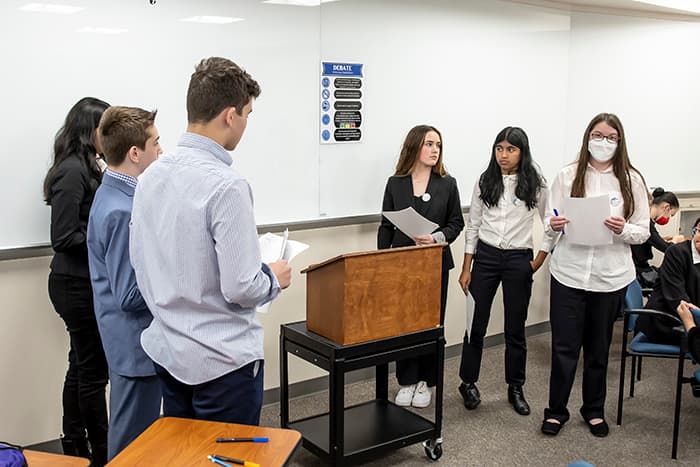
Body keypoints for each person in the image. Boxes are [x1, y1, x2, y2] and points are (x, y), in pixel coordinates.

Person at [129, 57, 292, 425]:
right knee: (228, 457)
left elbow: (140, 262)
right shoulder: (227, 185)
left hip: (169, 352)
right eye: (247, 114)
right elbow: (241, 287)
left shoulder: (150, 177)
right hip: (223, 363)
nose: (246, 124)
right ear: (230, 116)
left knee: (186, 456)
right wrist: (272, 278)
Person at [542, 113, 649, 438]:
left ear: (620, 142)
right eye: (597, 135)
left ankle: (593, 410)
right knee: (564, 348)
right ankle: (556, 411)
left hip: (610, 277)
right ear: (587, 137)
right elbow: (549, 218)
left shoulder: (631, 179)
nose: (602, 142)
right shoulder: (567, 175)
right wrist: (554, 224)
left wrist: (623, 228)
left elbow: (643, 232)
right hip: (569, 274)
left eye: (610, 137)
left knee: (598, 349)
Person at [457, 127, 557, 416]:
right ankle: (468, 382)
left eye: (510, 149)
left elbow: (552, 224)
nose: (504, 154)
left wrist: (537, 260)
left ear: (522, 152)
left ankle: (515, 386)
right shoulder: (484, 181)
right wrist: (467, 268)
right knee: (475, 324)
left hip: (518, 259)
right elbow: (473, 226)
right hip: (486, 257)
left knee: (515, 328)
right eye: (499, 148)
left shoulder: (535, 184)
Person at [87, 106, 163, 460]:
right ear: (135, 153)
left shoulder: (114, 193)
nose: (161, 150)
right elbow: (130, 295)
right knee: (133, 446)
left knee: (136, 440)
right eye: (155, 143)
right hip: (135, 347)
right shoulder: (122, 209)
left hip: (128, 342)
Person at [43, 97, 110, 466]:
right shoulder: (72, 170)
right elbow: (64, 236)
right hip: (74, 285)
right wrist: (106, 241)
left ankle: (74, 442)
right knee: (93, 372)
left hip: (81, 283)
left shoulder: (88, 167)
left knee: (81, 366)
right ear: (90, 131)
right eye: (105, 129)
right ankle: (99, 452)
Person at [377, 124, 464, 408]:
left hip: (435, 263)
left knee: (430, 322)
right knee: (404, 324)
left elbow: (456, 224)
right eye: (429, 144)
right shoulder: (395, 182)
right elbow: (386, 226)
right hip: (402, 264)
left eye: (438, 145)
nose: (434, 149)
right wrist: (382, 262)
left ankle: (427, 380)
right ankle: (407, 381)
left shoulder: (447, 183)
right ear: (415, 146)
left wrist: (436, 237)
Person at [636, 217, 700, 358]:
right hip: (665, 319)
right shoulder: (676, 253)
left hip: (691, 320)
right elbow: (677, 299)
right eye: (699, 231)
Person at [631, 187, 683, 289]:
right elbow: (668, 249)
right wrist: (675, 240)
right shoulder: (646, 225)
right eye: (671, 215)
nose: (668, 218)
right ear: (666, 207)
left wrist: (662, 239)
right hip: (638, 270)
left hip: (637, 267)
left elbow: (649, 240)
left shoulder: (643, 219)